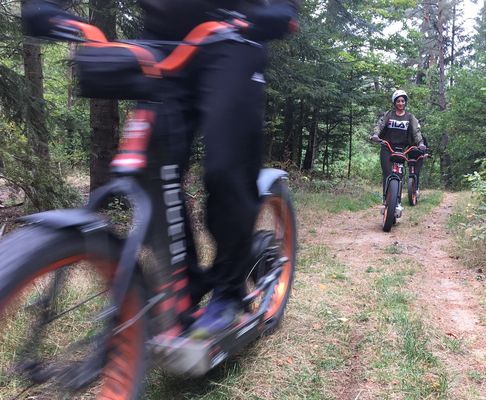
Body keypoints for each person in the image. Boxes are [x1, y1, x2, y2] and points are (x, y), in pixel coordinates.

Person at [22, 0, 300, 339]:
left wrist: (280, 10)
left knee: (226, 169)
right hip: (159, 40)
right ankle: (185, 284)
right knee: (147, 169)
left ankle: (228, 291)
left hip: (234, 38)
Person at [370, 89, 426, 198]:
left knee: (399, 176)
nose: (400, 103)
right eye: (398, 101)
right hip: (387, 147)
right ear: (394, 102)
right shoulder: (389, 115)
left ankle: (397, 201)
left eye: (402, 101)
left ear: (405, 102)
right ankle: (386, 199)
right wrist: (375, 135)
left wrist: (420, 143)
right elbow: (380, 125)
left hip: (401, 149)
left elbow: (416, 131)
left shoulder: (410, 117)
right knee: (387, 173)